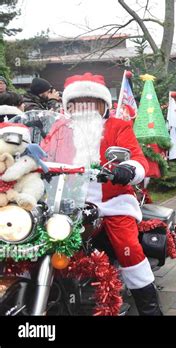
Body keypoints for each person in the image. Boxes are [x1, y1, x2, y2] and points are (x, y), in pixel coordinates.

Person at [42, 72, 162, 315]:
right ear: (69, 106)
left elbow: (137, 158)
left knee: (128, 245)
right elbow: (43, 153)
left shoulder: (118, 126)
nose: (85, 109)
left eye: (92, 103)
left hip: (113, 200)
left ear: (103, 106)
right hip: (68, 202)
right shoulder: (59, 129)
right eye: (78, 103)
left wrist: (127, 170)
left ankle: (149, 308)